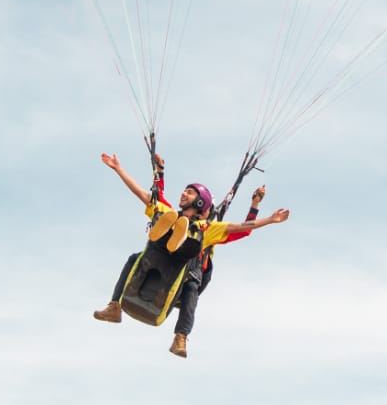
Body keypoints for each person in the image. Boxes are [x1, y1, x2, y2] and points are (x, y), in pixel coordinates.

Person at [93, 152, 289, 357]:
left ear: (200, 203)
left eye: (189, 193)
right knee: (137, 256)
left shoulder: (208, 227)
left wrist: (267, 217)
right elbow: (143, 194)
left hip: (182, 276)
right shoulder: (168, 213)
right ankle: (115, 306)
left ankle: (180, 337)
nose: (184, 194)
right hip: (158, 260)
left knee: (191, 284)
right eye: (184, 191)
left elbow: (242, 227)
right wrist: (118, 169)